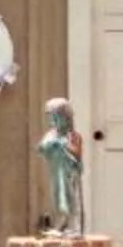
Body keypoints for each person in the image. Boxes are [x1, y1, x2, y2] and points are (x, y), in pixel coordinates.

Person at [38, 98, 86, 237]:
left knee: (71, 199)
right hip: (56, 172)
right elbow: (42, 149)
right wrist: (50, 145)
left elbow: (77, 152)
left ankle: (75, 228)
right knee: (58, 198)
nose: (52, 121)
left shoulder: (73, 136)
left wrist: (64, 145)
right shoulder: (51, 135)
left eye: (55, 117)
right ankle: (60, 226)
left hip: (69, 173)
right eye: (51, 118)